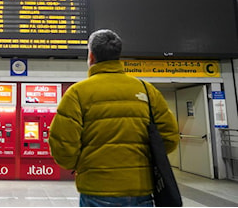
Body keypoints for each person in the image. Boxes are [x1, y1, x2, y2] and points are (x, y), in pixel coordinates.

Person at [48, 29, 180, 207]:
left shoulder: (77, 93)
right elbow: (170, 138)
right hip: (140, 189)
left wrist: (81, 165)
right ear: (118, 56)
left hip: (97, 188)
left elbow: (62, 146)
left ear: (91, 56)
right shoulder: (147, 90)